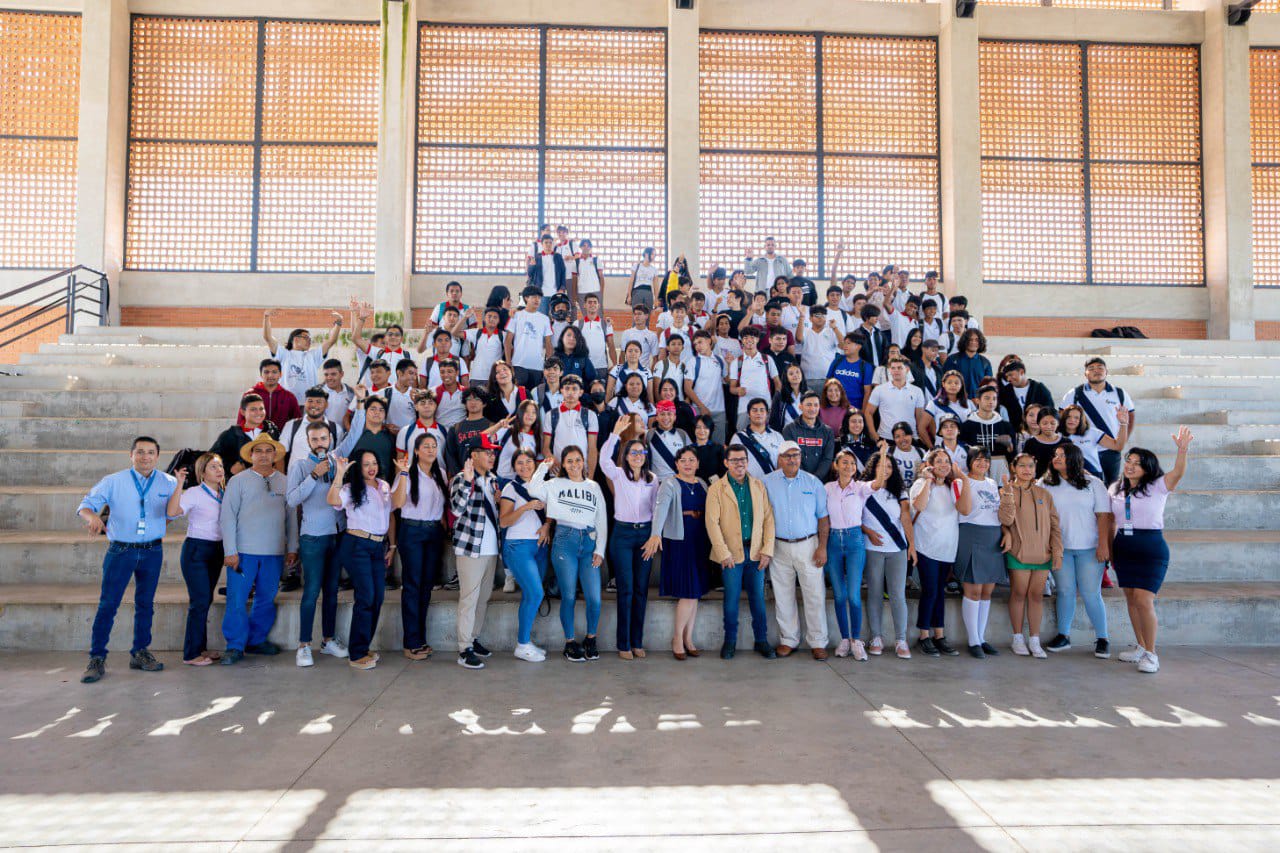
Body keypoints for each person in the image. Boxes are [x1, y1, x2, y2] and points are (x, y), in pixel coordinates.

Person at [77, 436, 178, 683]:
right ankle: (97, 658)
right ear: (131, 455)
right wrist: (92, 518)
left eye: (151, 452)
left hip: (152, 551)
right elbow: (85, 506)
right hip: (121, 551)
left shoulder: (169, 482)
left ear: (157, 456)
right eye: (140, 452)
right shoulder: (113, 481)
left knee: (146, 604)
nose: (145, 457)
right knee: (108, 604)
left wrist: (151, 530)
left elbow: (170, 515)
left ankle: (140, 652)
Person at [1108, 429, 1193, 674]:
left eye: (1137, 463)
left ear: (1147, 468)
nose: (1131, 466)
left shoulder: (1158, 485)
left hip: (1151, 548)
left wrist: (1182, 450)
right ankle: (1141, 647)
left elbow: (1178, 473)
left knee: (1144, 600)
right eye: (1129, 461)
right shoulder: (1115, 488)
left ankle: (1152, 654)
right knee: (1131, 600)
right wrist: (1111, 552)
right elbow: (1111, 522)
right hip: (1124, 547)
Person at [219, 435, 298, 666]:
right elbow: (227, 516)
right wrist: (230, 551)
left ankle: (256, 639)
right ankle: (235, 645)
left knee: (266, 599)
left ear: (275, 455)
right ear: (251, 455)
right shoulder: (238, 480)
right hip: (243, 552)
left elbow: (292, 518)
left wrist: (292, 548)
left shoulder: (285, 482)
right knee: (237, 599)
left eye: (268, 451)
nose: (263, 455)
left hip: (273, 553)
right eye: (258, 451)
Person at [286, 421, 360, 667]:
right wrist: (313, 476)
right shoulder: (300, 466)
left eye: (323, 439)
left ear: (330, 439)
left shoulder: (337, 459)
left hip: (336, 535)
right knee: (311, 592)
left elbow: (355, 435)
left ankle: (328, 640)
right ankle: (304, 645)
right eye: (315, 439)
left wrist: (360, 404)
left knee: (331, 591)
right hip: (313, 538)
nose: (320, 443)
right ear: (308, 442)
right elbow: (292, 499)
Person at [527, 446, 609, 662]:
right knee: (569, 596)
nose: (574, 465)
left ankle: (591, 638)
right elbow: (532, 489)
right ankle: (570, 642)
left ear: (584, 462)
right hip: (565, 541)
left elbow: (601, 519)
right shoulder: (555, 484)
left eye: (578, 460)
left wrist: (600, 550)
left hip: (589, 542)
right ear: (563, 464)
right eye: (569, 461)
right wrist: (544, 466)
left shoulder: (593, 486)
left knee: (594, 598)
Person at [327, 449, 407, 670]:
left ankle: (363, 646)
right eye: (365, 464)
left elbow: (397, 505)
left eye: (374, 463)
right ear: (358, 468)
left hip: (376, 546)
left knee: (378, 597)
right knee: (366, 597)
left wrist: (403, 474)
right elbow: (332, 499)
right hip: (356, 545)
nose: (371, 468)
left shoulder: (382, 485)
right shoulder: (349, 488)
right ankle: (357, 653)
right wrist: (340, 474)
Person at [1040, 444, 1112, 658]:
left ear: (1073, 458)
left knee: (1091, 594)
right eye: (1055, 455)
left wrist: (1103, 545)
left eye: (1062, 455)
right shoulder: (1045, 483)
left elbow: (1103, 516)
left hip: (1090, 549)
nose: (1057, 458)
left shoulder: (1094, 483)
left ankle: (1103, 638)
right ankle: (1064, 636)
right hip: (1061, 549)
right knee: (1065, 592)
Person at [705, 445, 776, 659]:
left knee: (758, 599)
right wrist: (723, 552)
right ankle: (730, 641)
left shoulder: (757, 486)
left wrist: (767, 550)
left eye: (743, 460)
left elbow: (768, 519)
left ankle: (761, 641)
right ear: (726, 463)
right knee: (731, 599)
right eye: (734, 460)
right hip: (730, 554)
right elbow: (712, 522)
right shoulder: (717, 488)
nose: (740, 464)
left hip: (755, 553)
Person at [762, 441, 831, 660]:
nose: (792, 459)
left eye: (796, 455)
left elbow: (823, 518)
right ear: (779, 458)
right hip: (778, 546)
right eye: (787, 456)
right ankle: (788, 640)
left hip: (808, 545)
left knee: (814, 594)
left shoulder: (813, 482)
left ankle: (818, 642)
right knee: (783, 595)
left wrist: (822, 547)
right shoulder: (766, 482)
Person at [599, 420, 661, 659]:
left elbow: (656, 508)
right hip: (623, 535)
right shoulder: (618, 475)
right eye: (632, 452)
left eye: (641, 452)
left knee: (641, 590)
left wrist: (655, 534)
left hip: (644, 535)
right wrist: (615, 434)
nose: (637, 456)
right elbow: (604, 460)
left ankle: (637, 641)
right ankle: (623, 643)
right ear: (625, 456)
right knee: (625, 590)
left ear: (645, 456)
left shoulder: (652, 479)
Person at [999, 453, 1064, 658]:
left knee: (1036, 596)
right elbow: (1005, 520)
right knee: (1018, 593)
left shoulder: (1044, 494)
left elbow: (1055, 525)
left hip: (1042, 553)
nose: (1027, 470)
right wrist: (1008, 495)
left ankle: (1034, 639)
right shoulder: (1006, 491)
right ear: (1013, 468)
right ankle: (1017, 637)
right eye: (1022, 466)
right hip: (1018, 552)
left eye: (1031, 466)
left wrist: (1057, 550)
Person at [909, 449, 971, 657]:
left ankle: (939, 635)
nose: (944, 465)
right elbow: (919, 504)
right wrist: (928, 480)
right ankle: (924, 636)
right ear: (930, 464)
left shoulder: (953, 486)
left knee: (940, 592)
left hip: (947, 548)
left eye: (947, 461)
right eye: (939, 461)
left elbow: (965, 509)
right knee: (930, 591)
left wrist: (963, 479)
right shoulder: (920, 484)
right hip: (926, 546)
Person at [449, 434, 504, 669]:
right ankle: (464, 648)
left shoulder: (493, 480)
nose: (492, 456)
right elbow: (456, 509)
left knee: (483, 598)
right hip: (471, 549)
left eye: (493, 452)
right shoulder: (462, 478)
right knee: (469, 599)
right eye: (487, 452)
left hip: (490, 550)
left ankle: (473, 639)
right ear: (473, 455)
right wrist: (469, 482)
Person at [651, 447, 711, 659]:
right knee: (688, 591)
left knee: (695, 593)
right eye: (683, 460)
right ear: (676, 463)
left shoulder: (703, 483)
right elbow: (660, 510)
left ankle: (688, 638)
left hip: (700, 540)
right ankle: (677, 638)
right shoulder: (669, 484)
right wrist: (655, 534)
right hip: (680, 540)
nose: (687, 464)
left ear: (697, 463)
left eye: (691, 460)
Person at [860, 448, 916, 659]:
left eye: (890, 466)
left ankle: (901, 639)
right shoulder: (864, 489)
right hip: (873, 549)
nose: (886, 470)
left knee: (897, 595)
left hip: (897, 549)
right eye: (882, 465)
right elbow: (855, 516)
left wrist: (911, 545)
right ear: (873, 468)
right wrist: (868, 531)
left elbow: (905, 518)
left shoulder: (900, 491)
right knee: (874, 593)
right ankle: (876, 637)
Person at [399, 432, 449, 661]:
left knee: (426, 587)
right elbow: (397, 503)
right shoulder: (408, 474)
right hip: (412, 531)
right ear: (416, 451)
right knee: (412, 586)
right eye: (425, 446)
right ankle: (410, 642)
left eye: (433, 446)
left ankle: (420, 638)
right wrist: (400, 474)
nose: (430, 450)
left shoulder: (442, 475)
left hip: (433, 533)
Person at [173, 452, 225, 666]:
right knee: (199, 601)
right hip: (197, 550)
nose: (219, 470)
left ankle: (201, 647)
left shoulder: (224, 492)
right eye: (213, 467)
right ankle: (191, 654)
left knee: (207, 599)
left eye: (220, 466)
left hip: (217, 549)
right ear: (202, 473)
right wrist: (178, 485)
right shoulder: (194, 492)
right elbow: (174, 511)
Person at [825, 449, 875, 660]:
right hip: (833, 540)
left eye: (852, 464)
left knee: (854, 596)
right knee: (839, 595)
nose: (848, 467)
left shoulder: (861, 488)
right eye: (844, 463)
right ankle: (844, 639)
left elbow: (878, 483)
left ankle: (856, 640)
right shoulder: (827, 488)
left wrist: (881, 452)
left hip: (854, 539)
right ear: (836, 465)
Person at [955, 448, 1005, 658]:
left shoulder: (993, 484)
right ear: (970, 462)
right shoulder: (960, 482)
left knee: (986, 591)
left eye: (986, 460)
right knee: (973, 591)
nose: (983, 463)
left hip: (993, 536)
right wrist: (964, 480)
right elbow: (964, 510)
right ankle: (973, 639)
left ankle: (981, 637)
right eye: (978, 459)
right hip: (971, 534)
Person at [1060, 356, 1137, 485]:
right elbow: (1062, 416)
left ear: (1106, 371)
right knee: (1084, 486)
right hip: (1083, 450)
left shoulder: (1119, 393)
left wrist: (1122, 439)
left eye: (1100, 368)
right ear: (1085, 373)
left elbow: (1130, 416)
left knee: (1111, 488)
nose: (1096, 371)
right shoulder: (1074, 393)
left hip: (1111, 450)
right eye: (1091, 368)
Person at [262, 310, 343, 404]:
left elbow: (331, 340)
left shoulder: (313, 356)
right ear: (296, 339)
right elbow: (267, 337)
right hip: (286, 403)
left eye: (310, 339)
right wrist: (266, 317)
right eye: (306, 338)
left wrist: (339, 322)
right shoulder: (283, 354)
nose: (309, 341)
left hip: (309, 404)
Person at [541, 375, 599, 475]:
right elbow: (545, 447)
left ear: (581, 392)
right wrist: (552, 460)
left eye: (575, 389)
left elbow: (592, 449)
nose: (570, 392)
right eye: (567, 388)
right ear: (562, 391)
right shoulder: (551, 415)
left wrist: (590, 477)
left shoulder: (590, 415)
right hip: (558, 472)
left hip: (581, 472)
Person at [211, 393, 280, 475]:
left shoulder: (272, 431)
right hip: (240, 483)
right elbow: (211, 458)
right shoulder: (230, 435)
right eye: (253, 409)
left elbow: (282, 456)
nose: (259, 413)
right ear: (243, 412)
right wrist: (229, 467)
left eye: (261, 409)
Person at [960, 384, 1015, 483]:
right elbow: (963, 450)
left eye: (994, 399)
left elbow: (1012, 452)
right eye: (987, 398)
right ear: (977, 400)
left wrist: (1009, 445)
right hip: (976, 467)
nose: (991, 402)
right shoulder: (967, 426)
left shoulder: (1005, 426)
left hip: (1001, 468)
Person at [1061, 403, 1130, 480]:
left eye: (1076, 417)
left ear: (1081, 420)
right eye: (1069, 417)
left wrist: (1123, 423)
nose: (1072, 420)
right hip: (1066, 475)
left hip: (1093, 475)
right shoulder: (1056, 435)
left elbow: (1118, 446)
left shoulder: (1092, 433)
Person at [865, 356, 927, 441]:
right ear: (889, 370)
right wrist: (875, 436)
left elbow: (919, 417)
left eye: (899, 368)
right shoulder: (879, 389)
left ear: (907, 369)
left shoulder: (917, 391)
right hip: (885, 438)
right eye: (893, 368)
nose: (896, 371)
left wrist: (920, 436)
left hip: (911, 438)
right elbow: (868, 412)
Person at [506, 286, 554, 387]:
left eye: (539, 297)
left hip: (537, 367)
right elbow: (507, 341)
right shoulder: (516, 316)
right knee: (519, 397)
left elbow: (549, 344)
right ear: (526, 298)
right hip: (518, 365)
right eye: (534, 297)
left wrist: (549, 366)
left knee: (534, 399)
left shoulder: (545, 319)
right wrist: (508, 363)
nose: (537, 300)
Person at [684, 330, 727, 442]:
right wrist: (701, 406)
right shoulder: (692, 362)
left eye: (700, 342)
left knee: (719, 446)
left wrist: (731, 364)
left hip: (719, 410)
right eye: (695, 344)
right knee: (699, 445)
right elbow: (687, 388)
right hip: (699, 410)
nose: (697, 346)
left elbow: (727, 381)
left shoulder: (719, 360)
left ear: (709, 341)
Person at [783, 391, 835, 480]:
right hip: (797, 479)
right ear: (800, 407)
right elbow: (791, 457)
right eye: (808, 405)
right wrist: (806, 478)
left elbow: (827, 459)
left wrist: (815, 479)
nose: (812, 408)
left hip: (821, 481)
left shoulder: (828, 431)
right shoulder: (789, 429)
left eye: (816, 405)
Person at [730, 397, 785, 480]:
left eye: (762, 410)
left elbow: (784, 460)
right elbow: (734, 464)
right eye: (754, 410)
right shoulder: (738, 438)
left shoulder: (777, 436)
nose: (758, 413)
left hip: (775, 484)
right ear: (749, 414)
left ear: (767, 413)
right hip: (749, 486)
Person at [997, 359, 1054, 436]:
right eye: (1007, 376)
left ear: (1021, 372)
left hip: (1039, 434)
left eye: (1010, 375)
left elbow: (1050, 411)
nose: (1008, 379)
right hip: (1014, 435)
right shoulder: (1005, 392)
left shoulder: (1039, 388)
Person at [243, 358, 302, 429]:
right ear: (261, 374)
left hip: (281, 438)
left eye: (274, 372)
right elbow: (241, 420)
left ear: (280, 374)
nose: (270, 375)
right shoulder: (250, 394)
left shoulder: (289, 397)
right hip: (255, 439)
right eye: (266, 372)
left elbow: (297, 422)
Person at [922, 370, 974, 446]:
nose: (953, 385)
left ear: (961, 385)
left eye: (956, 383)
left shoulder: (969, 403)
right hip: (942, 449)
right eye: (949, 382)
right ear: (943, 384)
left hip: (964, 447)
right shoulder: (934, 404)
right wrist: (932, 448)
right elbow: (921, 428)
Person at [463, 306, 508, 389]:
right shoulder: (476, 332)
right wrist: (465, 317)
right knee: (476, 401)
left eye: (495, 317)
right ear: (484, 318)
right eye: (489, 316)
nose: (492, 319)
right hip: (476, 377)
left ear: (499, 321)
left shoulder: (503, 335)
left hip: (495, 378)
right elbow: (454, 333)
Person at [826, 334, 874, 412]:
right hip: (834, 407)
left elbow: (867, 392)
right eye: (844, 343)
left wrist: (863, 412)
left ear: (858, 346)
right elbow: (827, 383)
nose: (845, 346)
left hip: (854, 408)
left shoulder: (866, 367)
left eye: (848, 343)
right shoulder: (837, 361)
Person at [942, 329, 993, 398]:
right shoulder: (952, 359)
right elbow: (944, 381)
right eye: (970, 340)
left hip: (978, 403)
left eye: (976, 340)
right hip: (957, 401)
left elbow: (989, 386)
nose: (973, 342)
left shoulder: (985, 362)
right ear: (964, 341)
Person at [1024, 408, 1071, 479]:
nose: (1049, 426)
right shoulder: (1031, 443)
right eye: (1045, 423)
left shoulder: (1066, 442)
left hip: (1063, 482)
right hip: (1038, 484)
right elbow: (1025, 465)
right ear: (1038, 423)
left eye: (1052, 423)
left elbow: (1072, 464)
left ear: (1058, 423)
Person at [576, 292, 615, 374]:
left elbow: (611, 345)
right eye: (589, 302)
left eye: (595, 302)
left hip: (601, 367)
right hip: (583, 367)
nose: (592, 304)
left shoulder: (606, 324)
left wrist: (615, 365)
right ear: (584, 305)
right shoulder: (577, 324)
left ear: (598, 305)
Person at [528, 232, 568, 309]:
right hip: (541, 293)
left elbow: (563, 273)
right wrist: (532, 266)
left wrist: (562, 288)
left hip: (556, 293)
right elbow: (530, 274)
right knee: (542, 318)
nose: (548, 244)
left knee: (556, 317)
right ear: (542, 244)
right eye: (546, 242)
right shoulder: (537, 257)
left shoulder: (558, 257)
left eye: (550, 242)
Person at [770, 363, 807, 432]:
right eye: (791, 373)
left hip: (805, 434)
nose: (795, 375)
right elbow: (774, 420)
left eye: (797, 372)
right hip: (786, 434)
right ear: (786, 377)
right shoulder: (779, 395)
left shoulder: (809, 394)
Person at [690, 414, 725, 481]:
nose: (701, 430)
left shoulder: (718, 448)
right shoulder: (688, 450)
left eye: (705, 427)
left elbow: (723, 471)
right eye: (698, 427)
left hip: (715, 487)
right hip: (694, 487)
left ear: (710, 430)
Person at [627, 246, 660, 311]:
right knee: (636, 314)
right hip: (637, 292)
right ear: (646, 254)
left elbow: (656, 286)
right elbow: (631, 282)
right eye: (653, 254)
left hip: (648, 293)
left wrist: (656, 299)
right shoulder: (636, 266)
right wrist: (629, 296)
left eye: (655, 255)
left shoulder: (654, 269)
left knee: (647, 314)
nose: (654, 257)